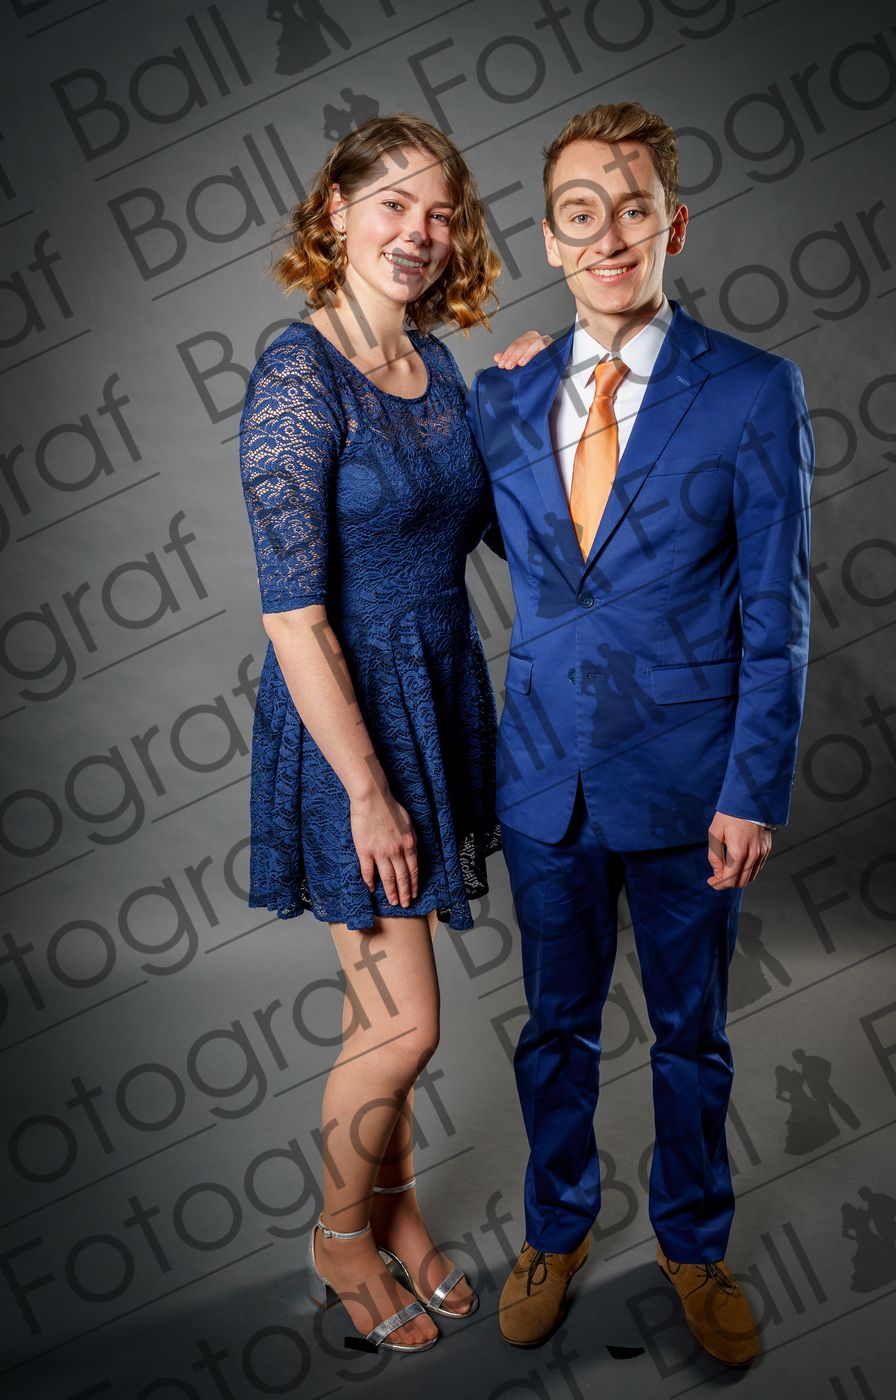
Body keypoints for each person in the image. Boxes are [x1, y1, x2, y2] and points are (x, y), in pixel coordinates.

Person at [467, 101, 815, 1366]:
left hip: (690, 784)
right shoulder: (503, 398)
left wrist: (752, 786)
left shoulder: (755, 391)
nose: (607, 235)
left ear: (673, 224)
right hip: (546, 777)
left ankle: (694, 1242)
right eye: (580, 213)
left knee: (692, 1034)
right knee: (553, 1026)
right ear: (550, 239)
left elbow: (778, 609)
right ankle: (554, 1230)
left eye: (631, 209)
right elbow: (497, 546)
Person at [238, 113, 502, 1354]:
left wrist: (535, 390)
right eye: (394, 202)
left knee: (374, 1017)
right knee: (410, 1025)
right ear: (336, 210)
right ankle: (340, 1233)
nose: (420, 231)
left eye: (440, 212)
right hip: (353, 733)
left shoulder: (434, 365)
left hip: (434, 705)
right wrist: (366, 789)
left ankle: (394, 1208)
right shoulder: (298, 376)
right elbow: (294, 618)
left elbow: (497, 523)